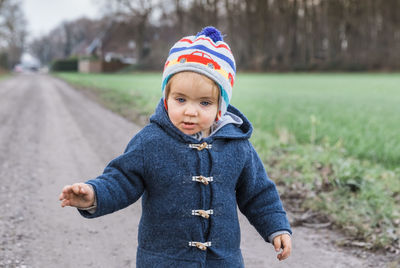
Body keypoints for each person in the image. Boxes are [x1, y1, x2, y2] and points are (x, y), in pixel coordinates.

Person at [59, 26, 292, 267]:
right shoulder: (151, 141)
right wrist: (94, 195)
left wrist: (276, 227)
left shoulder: (237, 146)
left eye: (204, 102)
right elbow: (121, 179)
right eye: (181, 99)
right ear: (166, 97)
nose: (190, 111)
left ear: (220, 107)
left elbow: (258, 193)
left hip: (222, 261)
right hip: (163, 261)